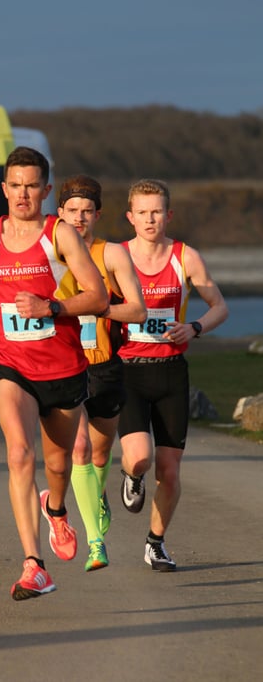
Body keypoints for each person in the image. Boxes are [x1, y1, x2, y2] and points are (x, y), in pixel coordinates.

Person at [0, 146, 108, 601]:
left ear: (45, 190)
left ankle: (55, 509)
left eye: (32, 186)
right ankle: (34, 566)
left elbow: (98, 296)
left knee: (58, 465)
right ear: (4, 189)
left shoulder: (61, 235)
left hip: (62, 368)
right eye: (15, 185)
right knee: (20, 455)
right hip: (9, 363)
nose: (23, 194)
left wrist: (51, 307)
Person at [118, 178, 229, 571]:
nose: (150, 219)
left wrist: (194, 328)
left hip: (170, 373)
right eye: (142, 212)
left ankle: (156, 542)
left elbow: (219, 306)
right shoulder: (117, 257)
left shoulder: (186, 257)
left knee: (169, 469)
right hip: (128, 371)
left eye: (157, 212)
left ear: (169, 215)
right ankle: (131, 476)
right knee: (140, 459)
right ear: (130, 217)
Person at [56, 175, 146, 572]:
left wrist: (97, 306)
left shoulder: (111, 254)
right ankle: (96, 543)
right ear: (60, 213)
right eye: (72, 211)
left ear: (98, 215)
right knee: (77, 449)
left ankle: (99, 493)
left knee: (98, 451)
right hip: (64, 366)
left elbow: (138, 310)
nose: (79, 218)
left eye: (87, 211)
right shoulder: (49, 255)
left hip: (105, 365)